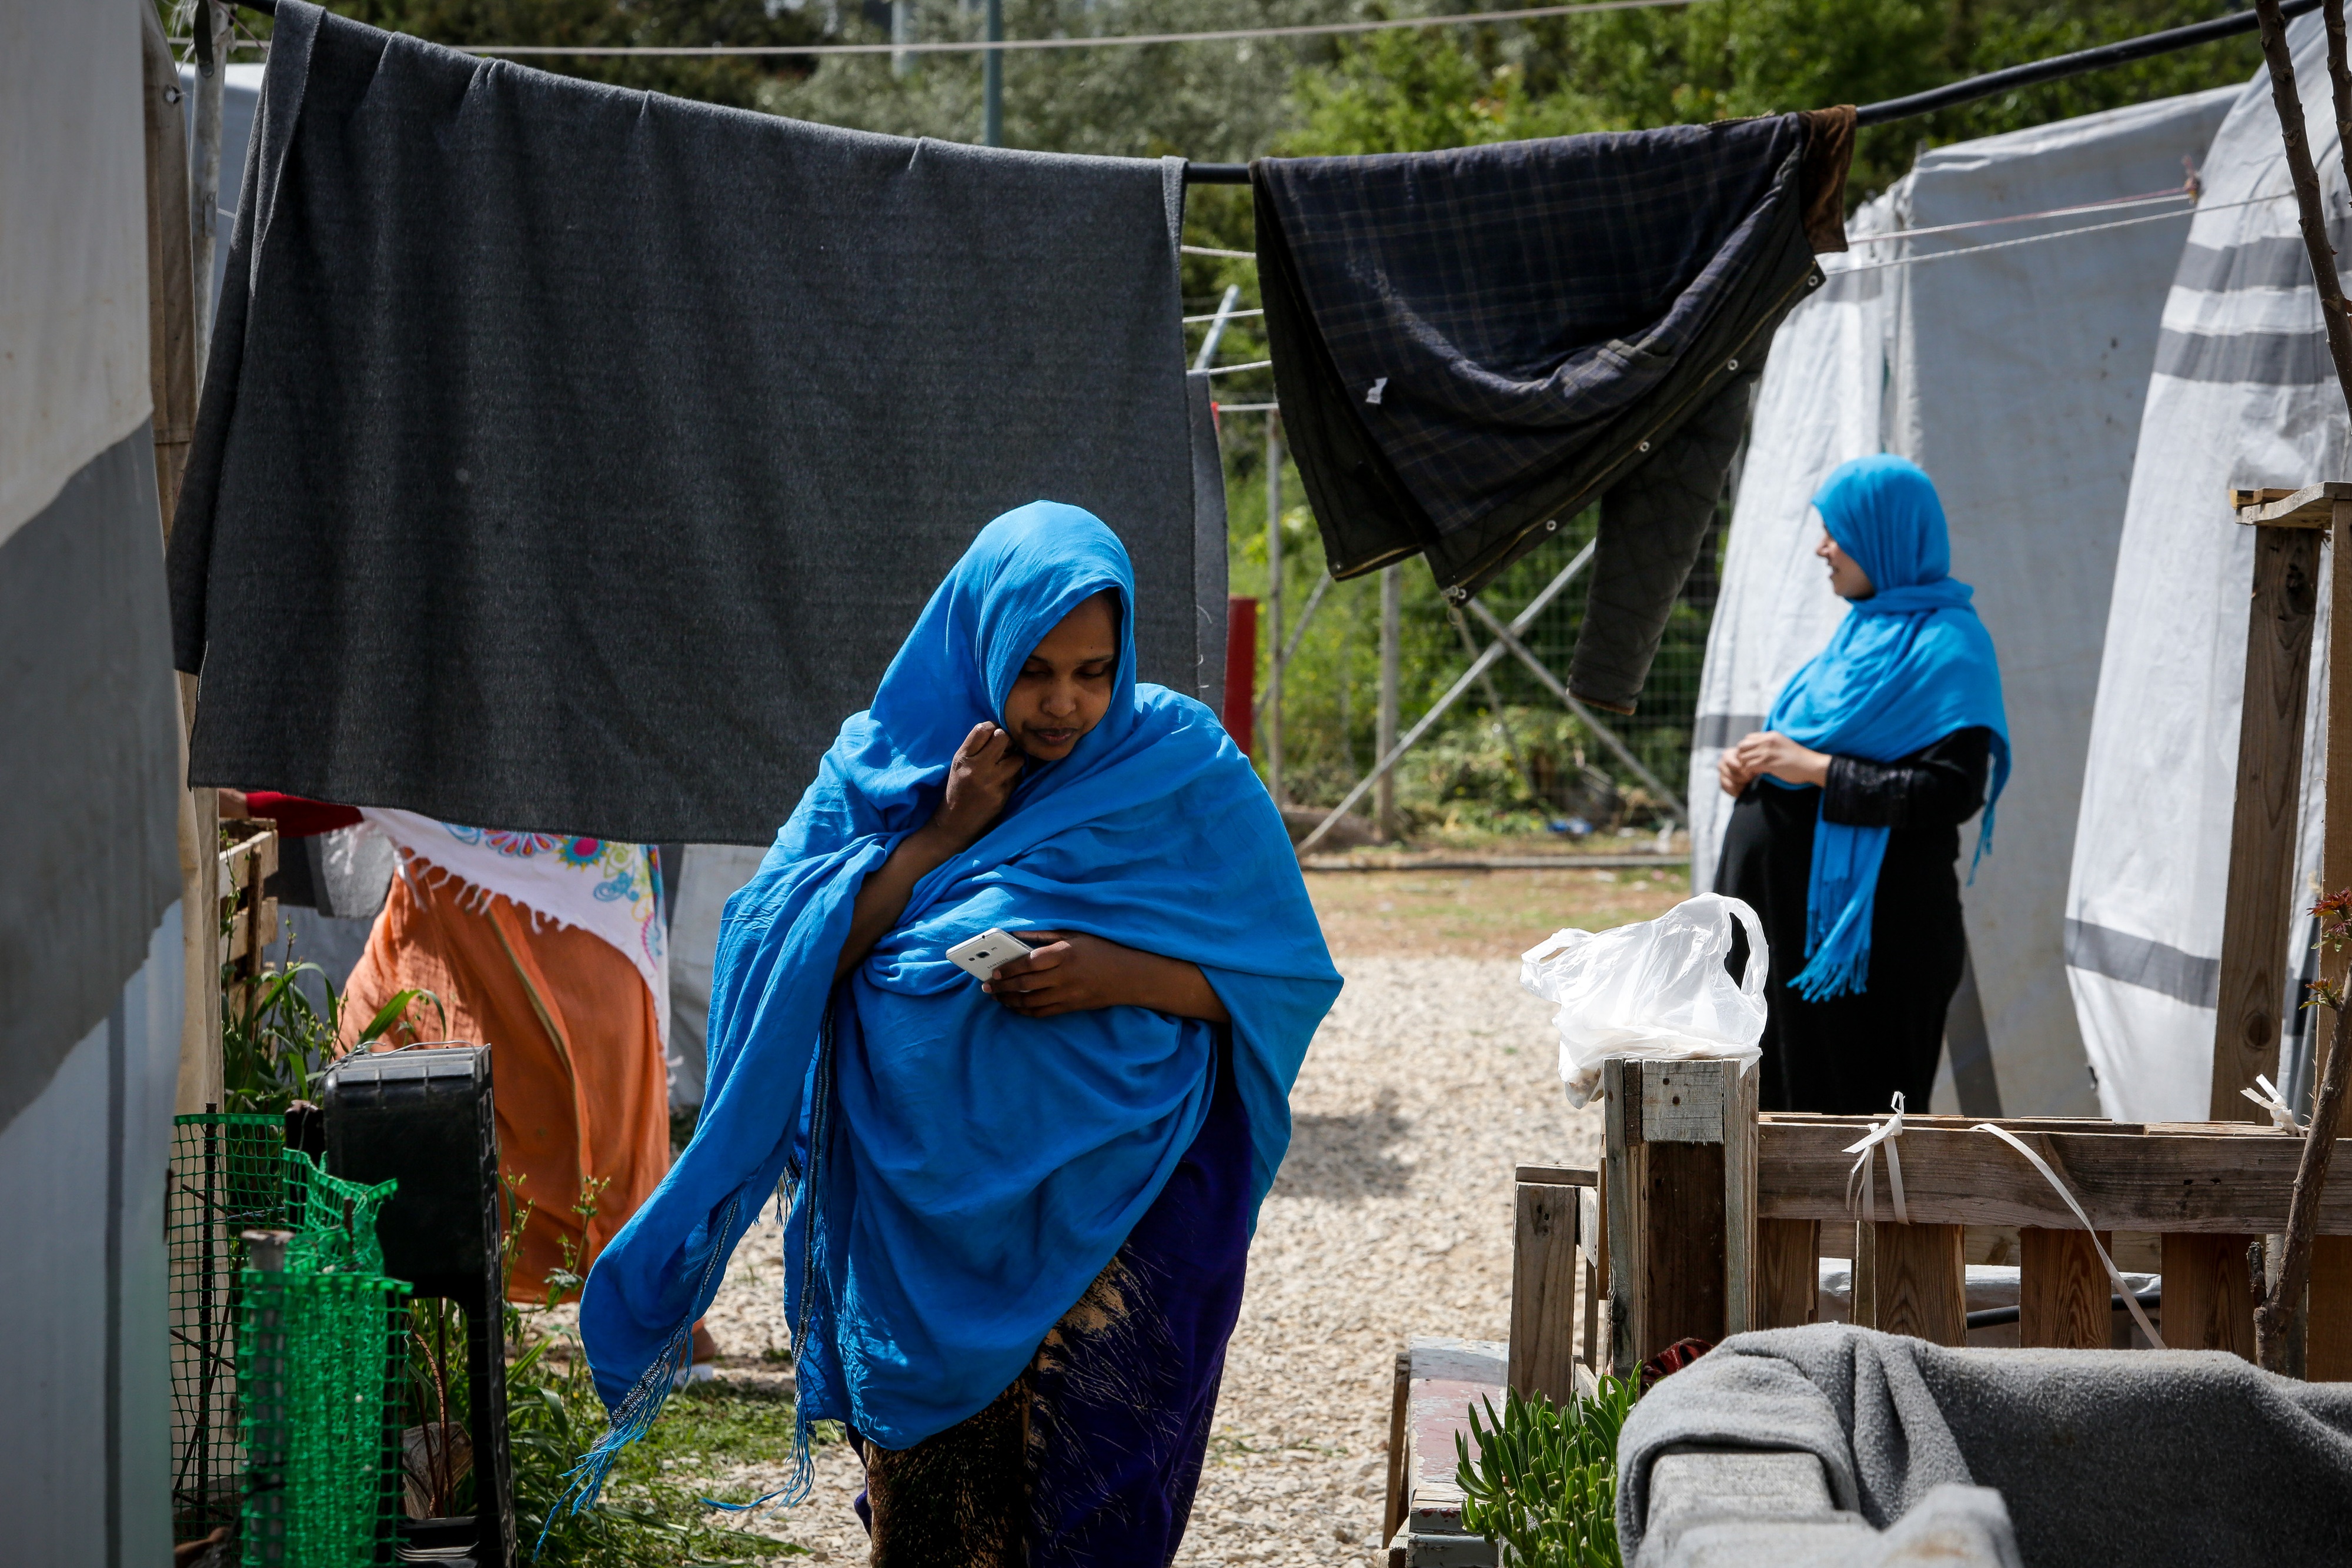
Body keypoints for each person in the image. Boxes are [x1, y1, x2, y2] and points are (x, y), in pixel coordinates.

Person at [574, 501, 1341, 1567]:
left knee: (1094, 1514)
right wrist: (944, 831)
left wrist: (1115, 973)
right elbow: (777, 947)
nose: (1066, 702)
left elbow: (1282, 975)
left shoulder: (1179, 766)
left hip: (1128, 1210)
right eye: (1036, 670)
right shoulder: (887, 767)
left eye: (1093, 669)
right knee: (939, 1535)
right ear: (980, 640)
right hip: (914, 1234)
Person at [1714, 456, 2009, 1114]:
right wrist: (1755, 771)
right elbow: (1809, 755)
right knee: (1771, 1126)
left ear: (1886, 534)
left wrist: (1815, 770)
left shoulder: (1950, 645)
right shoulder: (1859, 636)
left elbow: (1950, 792)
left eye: (1838, 532)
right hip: (1784, 928)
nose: (1823, 548)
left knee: (1856, 1136)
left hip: (1875, 950)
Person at [336, 814, 673, 1301]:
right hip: (455, 876)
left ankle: (648, 1307)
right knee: (369, 1062)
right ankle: (396, 1289)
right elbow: (368, 774)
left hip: (579, 895)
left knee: (603, 1127)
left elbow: (363, 776)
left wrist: (254, 799)